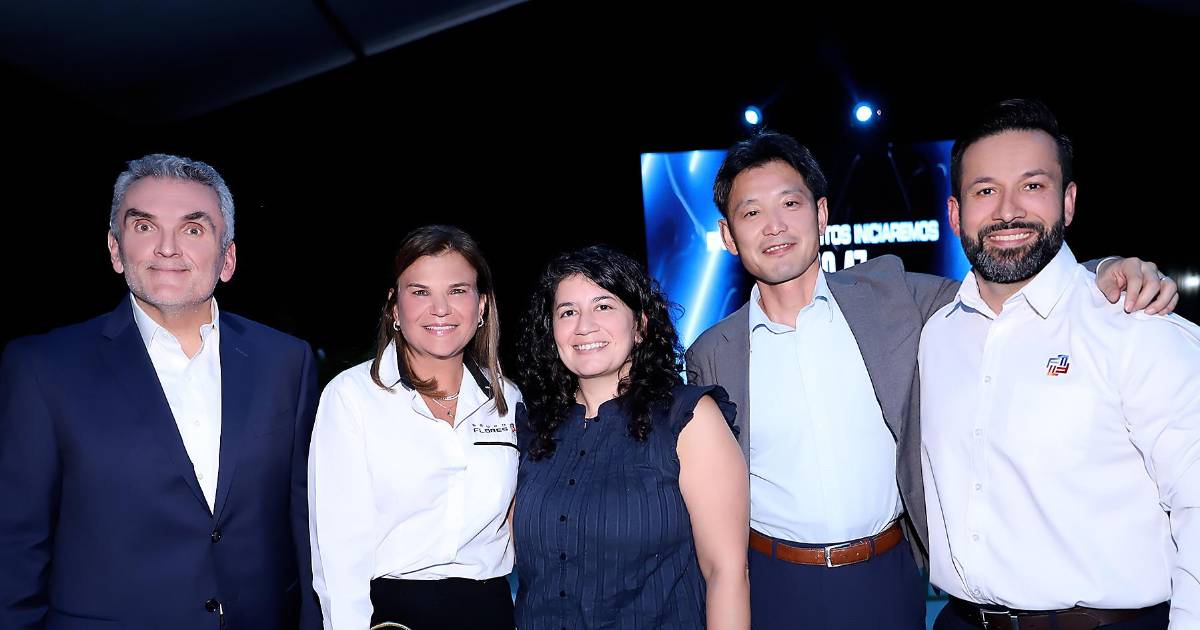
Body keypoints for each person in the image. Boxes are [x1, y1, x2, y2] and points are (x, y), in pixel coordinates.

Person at [685, 130, 1179, 630]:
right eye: (752, 212)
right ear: (728, 235)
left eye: (790, 203)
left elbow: (1009, 288)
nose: (774, 226)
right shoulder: (710, 355)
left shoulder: (893, 297)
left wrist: (1107, 272)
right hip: (772, 581)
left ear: (821, 213)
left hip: (888, 576)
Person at [0, 153, 321, 629]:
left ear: (228, 258)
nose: (167, 248)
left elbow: (306, 525)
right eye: (145, 226)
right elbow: (15, 546)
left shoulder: (287, 362)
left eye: (192, 229)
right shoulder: (41, 368)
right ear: (115, 250)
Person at [920, 98, 1198, 630]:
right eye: (985, 191)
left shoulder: (1137, 328)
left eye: (1032, 185)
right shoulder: (936, 335)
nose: (1007, 211)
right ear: (955, 213)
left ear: (1067, 201)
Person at [514, 245, 749, 629]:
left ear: (640, 326)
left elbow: (727, 573)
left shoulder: (687, 419)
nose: (584, 326)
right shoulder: (534, 428)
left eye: (604, 306)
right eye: (568, 312)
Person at [308, 225, 521, 630]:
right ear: (394, 307)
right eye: (420, 292)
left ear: (481, 306)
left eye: (457, 291)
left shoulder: (508, 400)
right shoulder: (352, 397)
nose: (440, 309)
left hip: (491, 610)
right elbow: (337, 551)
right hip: (391, 615)